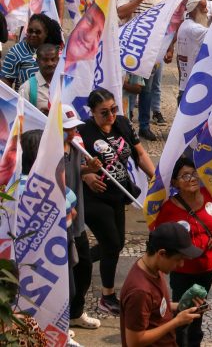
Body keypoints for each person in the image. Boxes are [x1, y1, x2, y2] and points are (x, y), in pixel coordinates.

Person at [80, 88, 156, 315]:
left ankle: (78, 262)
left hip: (119, 194)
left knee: (116, 243)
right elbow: (68, 163)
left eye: (113, 109)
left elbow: (140, 154)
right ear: (92, 112)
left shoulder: (122, 124)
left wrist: (156, 178)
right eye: (104, 112)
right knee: (112, 244)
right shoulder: (83, 132)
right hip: (93, 198)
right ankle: (107, 296)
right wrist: (86, 174)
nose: (111, 116)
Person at [154, 157, 212, 347]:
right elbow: (160, 239)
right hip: (182, 270)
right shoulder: (168, 209)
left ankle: (194, 342)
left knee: (199, 311)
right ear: (175, 183)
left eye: (194, 173)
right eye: (185, 176)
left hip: (207, 267)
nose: (191, 179)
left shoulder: (211, 197)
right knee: (181, 311)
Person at [119, 222, 204, 347]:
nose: (181, 264)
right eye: (178, 259)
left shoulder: (154, 268)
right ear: (161, 254)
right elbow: (134, 341)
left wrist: (179, 306)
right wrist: (176, 322)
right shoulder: (140, 291)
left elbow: (154, 306)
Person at [62, 105, 103, 334]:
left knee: (84, 266)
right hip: (60, 225)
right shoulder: (48, 153)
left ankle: (75, 313)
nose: (72, 132)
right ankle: (61, 318)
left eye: (73, 128)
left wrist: (89, 168)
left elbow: (78, 170)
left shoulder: (76, 147)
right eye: (67, 129)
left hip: (77, 223)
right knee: (64, 273)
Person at [118, 0, 170, 139]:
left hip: (150, 51)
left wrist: (168, 48)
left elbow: (167, 22)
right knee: (126, 89)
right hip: (129, 48)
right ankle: (125, 124)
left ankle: (145, 125)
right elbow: (121, 13)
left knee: (147, 90)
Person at [1, 13, 62, 89]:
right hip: (25, 98)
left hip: (52, 98)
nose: (33, 35)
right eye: (30, 31)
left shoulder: (54, 51)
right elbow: (6, 80)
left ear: (46, 33)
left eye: (37, 32)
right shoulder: (16, 51)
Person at [176, 0, 210, 103]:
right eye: (203, 8)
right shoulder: (194, 29)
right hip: (193, 89)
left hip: (186, 85)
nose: (206, 10)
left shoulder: (184, 24)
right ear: (194, 10)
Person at [18, 43, 58, 114]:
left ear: (58, 60)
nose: (50, 63)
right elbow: (20, 118)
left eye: (53, 59)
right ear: (37, 61)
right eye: (45, 60)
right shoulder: (27, 88)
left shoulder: (64, 84)